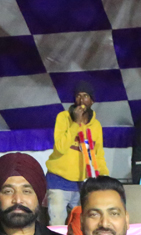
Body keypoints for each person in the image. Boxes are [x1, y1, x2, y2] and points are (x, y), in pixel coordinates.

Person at [45, 81, 107, 225]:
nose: (81, 100)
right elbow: (60, 148)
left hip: (81, 183)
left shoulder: (96, 125)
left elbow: (98, 154)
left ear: (92, 101)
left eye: (85, 96)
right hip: (58, 180)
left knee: (81, 225)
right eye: (78, 96)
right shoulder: (63, 117)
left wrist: (104, 177)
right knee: (57, 223)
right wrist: (76, 124)